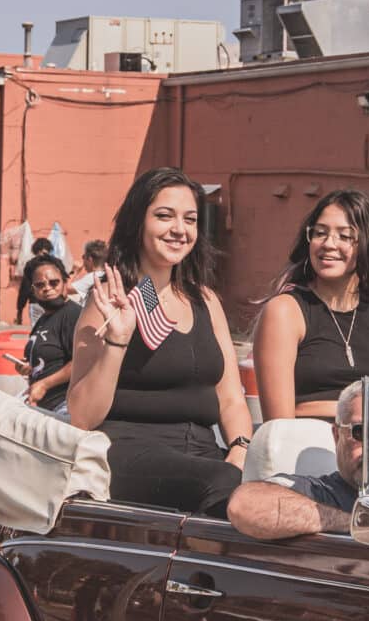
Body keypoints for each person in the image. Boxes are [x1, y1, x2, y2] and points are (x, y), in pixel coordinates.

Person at [69, 168, 251, 517]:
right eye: (164, 216)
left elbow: (230, 398)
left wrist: (241, 451)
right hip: (129, 450)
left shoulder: (206, 300)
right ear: (138, 223)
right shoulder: (111, 297)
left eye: (190, 219)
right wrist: (118, 341)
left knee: (280, 486)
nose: (179, 230)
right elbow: (82, 416)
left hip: (205, 455)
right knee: (223, 484)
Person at [253, 190, 369, 423]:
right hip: (312, 445)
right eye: (320, 233)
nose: (328, 244)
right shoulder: (285, 311)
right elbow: (279, 426)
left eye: (345, 236)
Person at [226, 387, 369, 540]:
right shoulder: (316, 493)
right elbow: (244, 505)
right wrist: (361, 524)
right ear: (337, 436)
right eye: (362, 432)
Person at [19, 255, 80, 414]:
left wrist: (44, 384)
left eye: (54, 282)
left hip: (65, 406)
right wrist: (27, 366)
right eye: (40, 285)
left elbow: (82, 361)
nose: (47, 288)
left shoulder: (72, 315)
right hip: (44, 405)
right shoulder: (43, 319)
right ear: (33, 290)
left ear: (65, 282)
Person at [69, 239, 109, 303]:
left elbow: (66, 289)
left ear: (90, 259)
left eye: (83, 257)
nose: (83, 260)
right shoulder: (105, 275)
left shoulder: (93, 277)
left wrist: (74, 271)